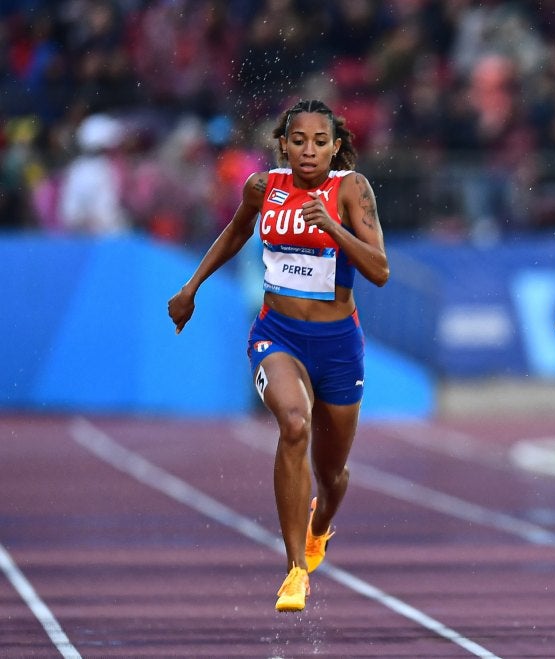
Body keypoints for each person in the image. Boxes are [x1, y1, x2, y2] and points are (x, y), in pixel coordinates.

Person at [168, 99, 390, 612]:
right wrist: (191, 286)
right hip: (278, 335)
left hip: (338, 345)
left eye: (319, 142)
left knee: (332, 474)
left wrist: (333, 227)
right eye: (297, 141)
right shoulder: (263, 188)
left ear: (336, 147)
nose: (307, 151)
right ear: (282, 144)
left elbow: (379, 270)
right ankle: (294, 569)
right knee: (294, 425)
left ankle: (321, 524)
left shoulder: (351, 189)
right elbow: (235, 232)